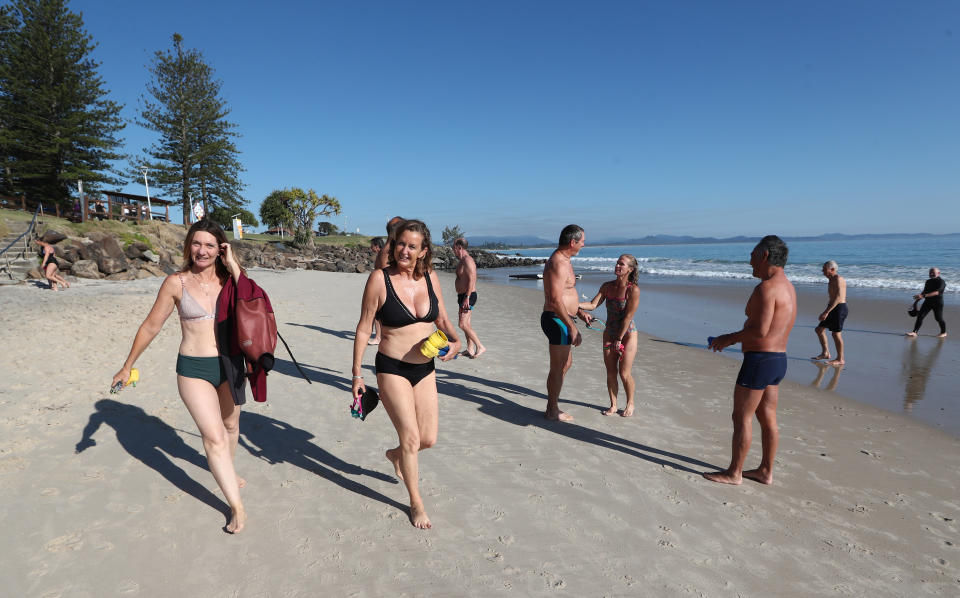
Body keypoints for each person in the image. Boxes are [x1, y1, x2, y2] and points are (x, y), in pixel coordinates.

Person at [111, 219, 248, 533]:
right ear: (188, 246)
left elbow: (254, 299)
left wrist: (234, 263)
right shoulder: (176, 282)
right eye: (197, 244)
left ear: (220, 249)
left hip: (230, 366)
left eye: (210, 245)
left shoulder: (232, 280)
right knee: (213, 437)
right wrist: (127, 364)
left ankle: (228, 468)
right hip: (194, 369)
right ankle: (236, 507)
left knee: (230, 426)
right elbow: (151, 326)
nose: (202, 250)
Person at [351, 219, 460, 529]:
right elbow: (363, 328)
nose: (405, 250)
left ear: (423, 251)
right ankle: (416, 502)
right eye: (401, 243)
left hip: (425, 368)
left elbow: (440, 316)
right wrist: (357, 375)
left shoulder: (430, 278)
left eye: (412, 246)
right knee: (411, 438)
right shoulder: (378, 279)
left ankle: (395, 455)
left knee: (428, 439)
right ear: (393, 244)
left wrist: (455, 340)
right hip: (392, 367)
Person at [704, 235, 797, 486]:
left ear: (765, 255)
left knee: (741, 416)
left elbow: (760, 331)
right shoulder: (788, 287)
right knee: (768, 417)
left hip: (759, 360)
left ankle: (734, 473)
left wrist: (727, 338)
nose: (750, 262)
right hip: (778, 360)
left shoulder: (766, 288)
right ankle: (765, 470)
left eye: (752, 256)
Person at [579, 254, 640, 417]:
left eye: (622, 264)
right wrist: (573, 304)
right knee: (611, 371)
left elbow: (627, 317)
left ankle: (630, 403)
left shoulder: (633, 290)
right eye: (617, 263)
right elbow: (592, 305)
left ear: (630, 269)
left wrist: (619, 339)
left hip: (627, 335)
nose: (617, 266)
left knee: (624, 373)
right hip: (609, 332)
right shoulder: (607, 286)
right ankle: (613, 405)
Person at [540, 224, 588, 422]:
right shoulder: (558, 263)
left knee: (565, 364)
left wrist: (579, 311)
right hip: (557, 319)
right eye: (582, 241)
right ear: (573, 242)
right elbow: (554, 299)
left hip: (564, 318)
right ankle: (552, 409)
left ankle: (553, 404)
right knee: (558, 366)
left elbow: (566, 294)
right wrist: (571, 326)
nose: (584, 245)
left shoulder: (566, 260)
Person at [452, 238, 486, 358]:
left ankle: (480, 346)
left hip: (468, 296)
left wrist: (467, 297)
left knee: (462, 324)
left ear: (459, 247)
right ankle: (470, 349)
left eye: (453, 247)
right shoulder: (461, 260)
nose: (452, 249)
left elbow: (472, 279)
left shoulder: (468, 260)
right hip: (462, 296)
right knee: (467, 323)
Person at [811, 260, 847, 366]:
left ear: (832, 269)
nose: (822, 271)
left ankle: (840, 359)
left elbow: (839, 297)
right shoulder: (831, 280)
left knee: (836, 334)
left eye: (824, 269)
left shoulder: (838, 279)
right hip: (832, 308)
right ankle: (825, 353)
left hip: (839, 308)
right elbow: (832, 298)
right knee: (819, 330)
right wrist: (827, 310)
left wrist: (826, 312)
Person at [906, 268, 947, 338]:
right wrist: (916, 302)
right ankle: (914, 332)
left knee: (938, 318)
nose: (931, 274)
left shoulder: (941, 282)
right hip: (928, 302)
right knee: (920, 316)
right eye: (930, 272)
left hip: (937, 303)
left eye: (933, 272)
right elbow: (925, 291)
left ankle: (943, 332)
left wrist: (923, 296)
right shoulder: (928, 281)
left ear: (938, 273)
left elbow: (937, 292)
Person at [367, 237, 386, 345]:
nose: (370, 248)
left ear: (377, 246)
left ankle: (378, 337)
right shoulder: (382, 255)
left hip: (381, 287)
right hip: (381, 286)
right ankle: (380, 336)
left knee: (377, 313)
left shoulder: (382, 256)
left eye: (372, 246)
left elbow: (383, 272)